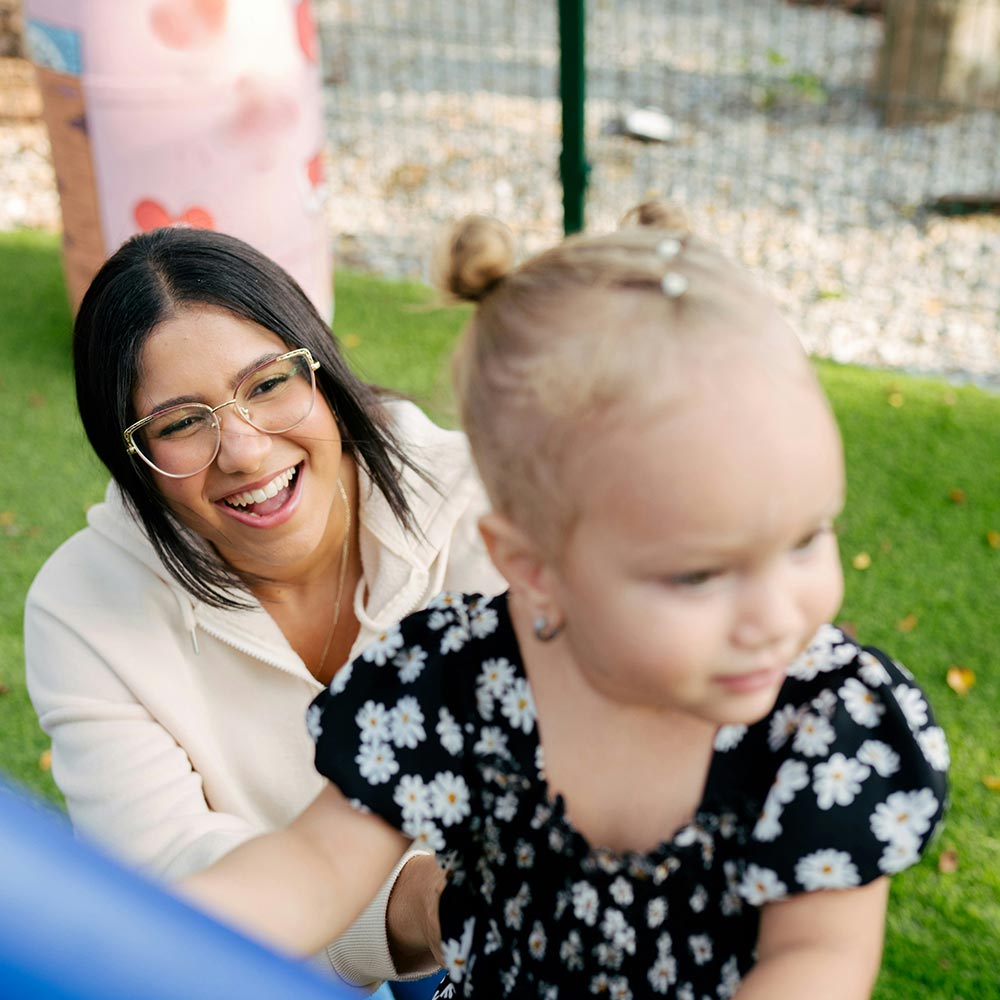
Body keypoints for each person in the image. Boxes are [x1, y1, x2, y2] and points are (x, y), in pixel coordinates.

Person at [179, 205, 949, 998]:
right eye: (698, 577)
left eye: (805, 540)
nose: (778, 616)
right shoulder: (456, 681)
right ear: (534, 566)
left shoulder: (824, 720)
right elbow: (314, 868)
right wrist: (162, 932)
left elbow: (816, 962)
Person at [23, 226, 507, 990]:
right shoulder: (85, 607)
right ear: (130, 461)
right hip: (295, 951)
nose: (245, 451)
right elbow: (188, 883)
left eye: (269, 384)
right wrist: (434, 908)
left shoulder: (499, 528)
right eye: (180, 424)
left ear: (321, 370)